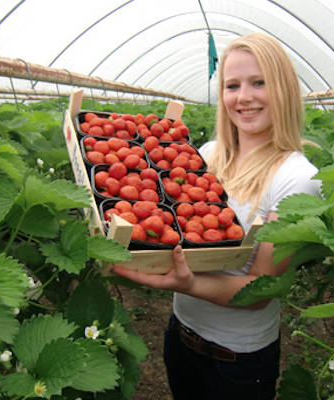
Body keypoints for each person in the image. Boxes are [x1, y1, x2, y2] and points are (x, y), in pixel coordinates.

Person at [112, 32, 321, 400]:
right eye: (232, 85)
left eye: (259, 83)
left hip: (237, 360)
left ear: (285, 89)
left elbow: (260, 290)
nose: (244, 97)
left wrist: (185, 283)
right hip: (181, 333)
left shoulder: (298, 179)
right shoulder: (208, 154)